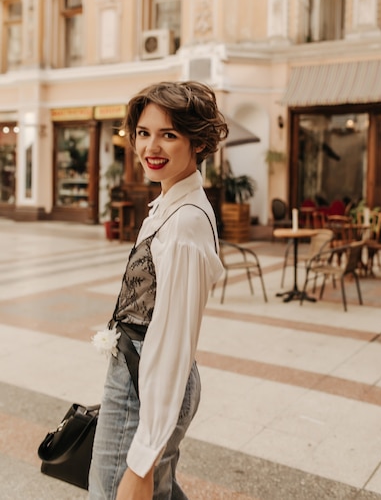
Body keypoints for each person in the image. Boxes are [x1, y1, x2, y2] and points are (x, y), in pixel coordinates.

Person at [89, 80, 229, 500]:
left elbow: (171, 342)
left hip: (145, 387)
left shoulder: (185, 222)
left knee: (116, 491)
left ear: (197, 142)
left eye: (169, 134)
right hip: (140, 377)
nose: (152, 146)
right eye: (144, 133)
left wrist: (144, 453)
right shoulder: (168, 204)